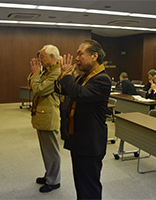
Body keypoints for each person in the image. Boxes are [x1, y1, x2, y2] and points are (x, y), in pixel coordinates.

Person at [55, 39, 111, 200]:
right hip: (80, 140)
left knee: (89, 188)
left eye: (80, 54)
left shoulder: (102, 79)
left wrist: (67, 77)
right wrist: (62, 75)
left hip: (90, 143)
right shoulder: (84, 77)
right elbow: (62, 89)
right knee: (81, 184)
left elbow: (78, 94)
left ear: (94, 56)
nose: (76, 58)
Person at [29, 45, 61, 193]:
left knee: (52, 151)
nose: (40, 59)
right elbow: (33, 85)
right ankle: (49, 174)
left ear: (52, 57)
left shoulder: (56, 73)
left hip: (49, 117)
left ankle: (54, 181)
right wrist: (36, 74)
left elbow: (38, 89)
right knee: (46, 150)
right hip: (42, 116)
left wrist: (35, 74)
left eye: (42, 57)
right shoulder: (48, 71)